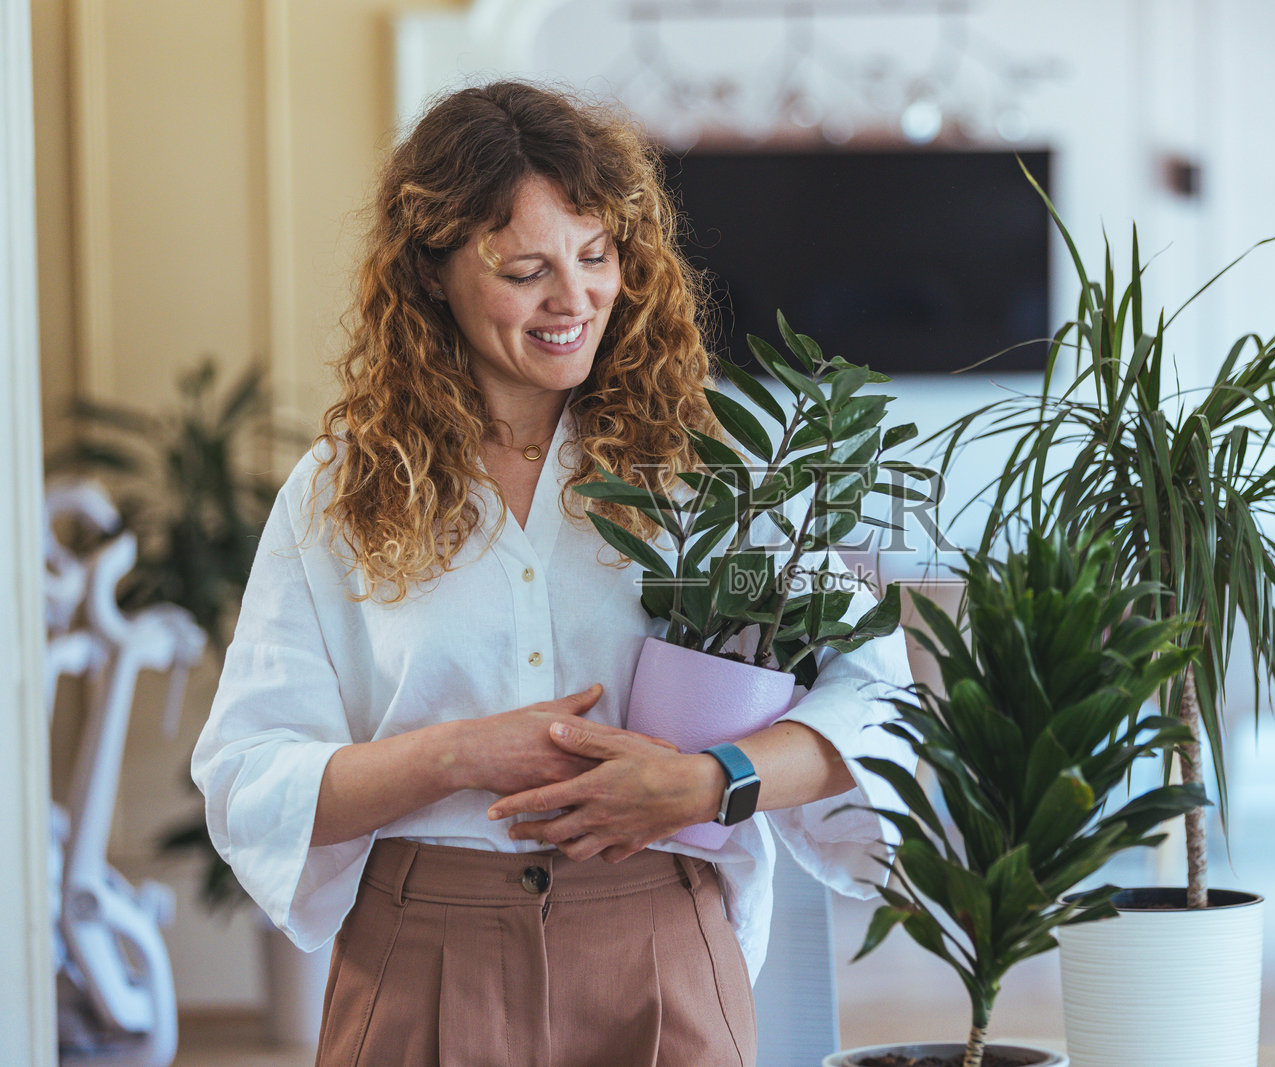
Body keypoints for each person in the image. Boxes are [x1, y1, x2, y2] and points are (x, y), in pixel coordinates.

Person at [191, 81, 913, 1066]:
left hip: (659, 947)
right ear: (432, 271)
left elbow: (875, 700)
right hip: (420, 951)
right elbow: (245, 775)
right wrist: (453, 755)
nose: (572, 300)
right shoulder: (341, 491)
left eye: (595, 255)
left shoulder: (722, 470)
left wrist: (711, 782)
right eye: (526, 269)